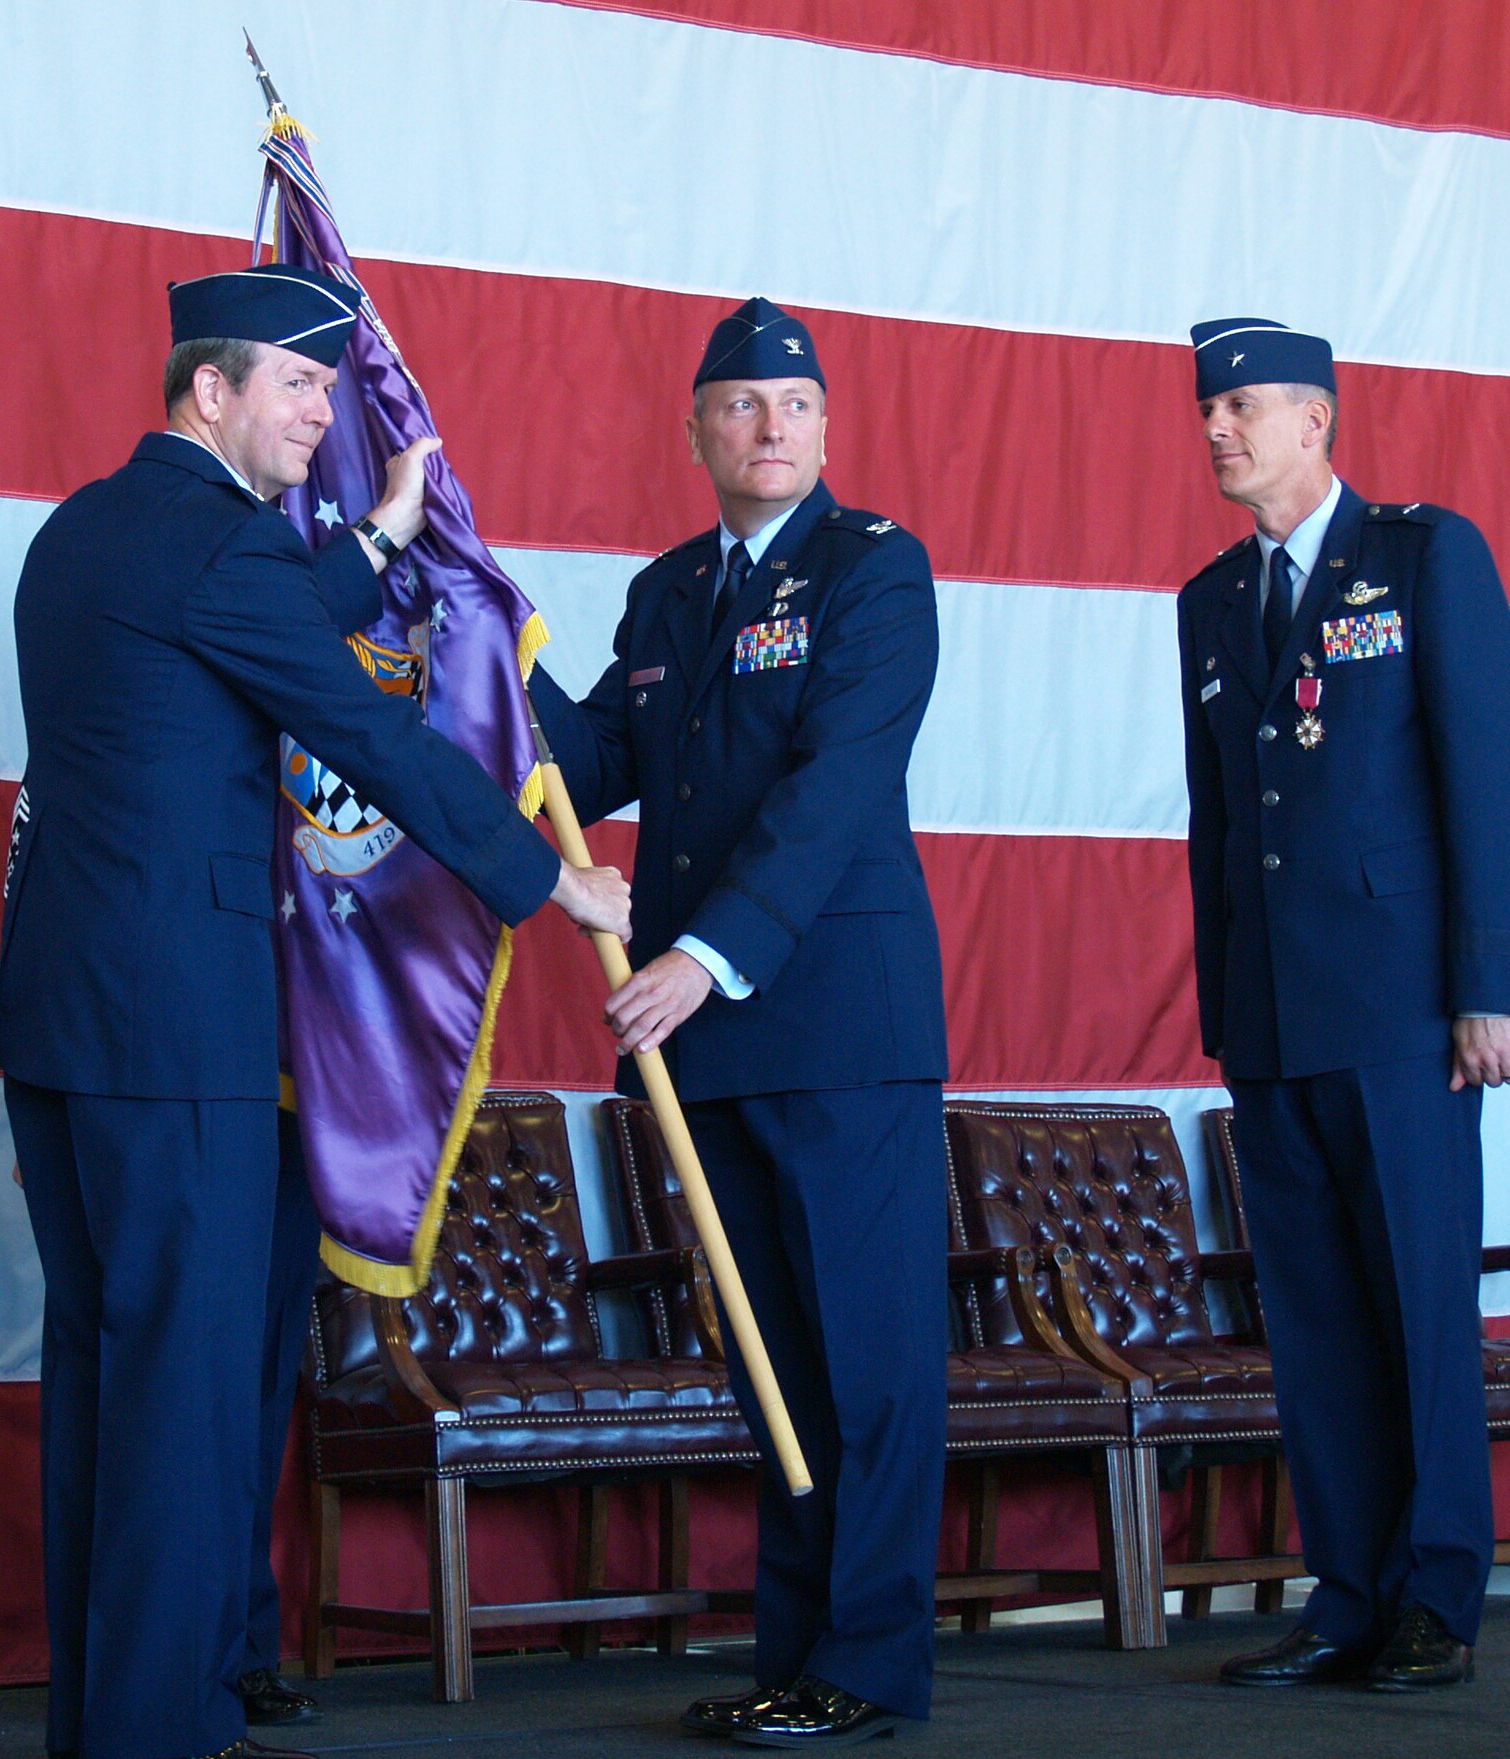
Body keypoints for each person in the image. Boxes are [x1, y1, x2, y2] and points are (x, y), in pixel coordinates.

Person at [0, 263, 630, 1759]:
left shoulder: (82, 533)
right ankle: (155, 1733)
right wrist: (549, 882)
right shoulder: (219, 553)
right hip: (180, 1043)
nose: (322, 411)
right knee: (182, 1394)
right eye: (297, 387)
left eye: (330, 390)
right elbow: (365, 728)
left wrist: (383, 536)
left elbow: (250, 624)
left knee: (100, 1376)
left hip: (61, 1028)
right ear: (209, 392)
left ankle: (105, 1720)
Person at [528, 297, 949, 1747]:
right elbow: (588, 753)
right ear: (698, 428)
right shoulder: (665, 597)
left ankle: (873, 1660)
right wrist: (469, 624)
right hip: (711, 1042)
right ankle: (797, 1657)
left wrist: (702, 956)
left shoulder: (875, 577)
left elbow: (830, 794)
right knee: (774, 1366)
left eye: (798, 406)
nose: (774, 429)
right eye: (744, 406)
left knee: (869, 1358)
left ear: (827, 428)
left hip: (832, 1022)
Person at [1175, 319, 1510, 1693]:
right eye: (1211, 409)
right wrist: (1224, 1004)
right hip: (1271, 1016)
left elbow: (1486, 779)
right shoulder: (1213, 601)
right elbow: (1221, 826)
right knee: (1316, 1320)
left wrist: (1486, 989)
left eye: (1247, 406)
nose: (1221, 428)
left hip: (1403, 1010)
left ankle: (1435, 1592)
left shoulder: (1424, 554)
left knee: (1421, 1306)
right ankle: (1347, 1595)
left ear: (1317, 420)